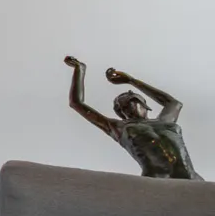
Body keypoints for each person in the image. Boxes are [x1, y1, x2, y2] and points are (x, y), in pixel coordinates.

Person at [63, 56, 200, 179]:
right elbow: (76, 103)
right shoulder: (118, 127)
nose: (124, 110)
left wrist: (131, 81)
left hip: (191, 179)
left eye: (130, 103)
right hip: (156, 180)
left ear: (144, 105)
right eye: (119, 109)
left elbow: (174, 103)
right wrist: (80, 69)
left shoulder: (165, 120)